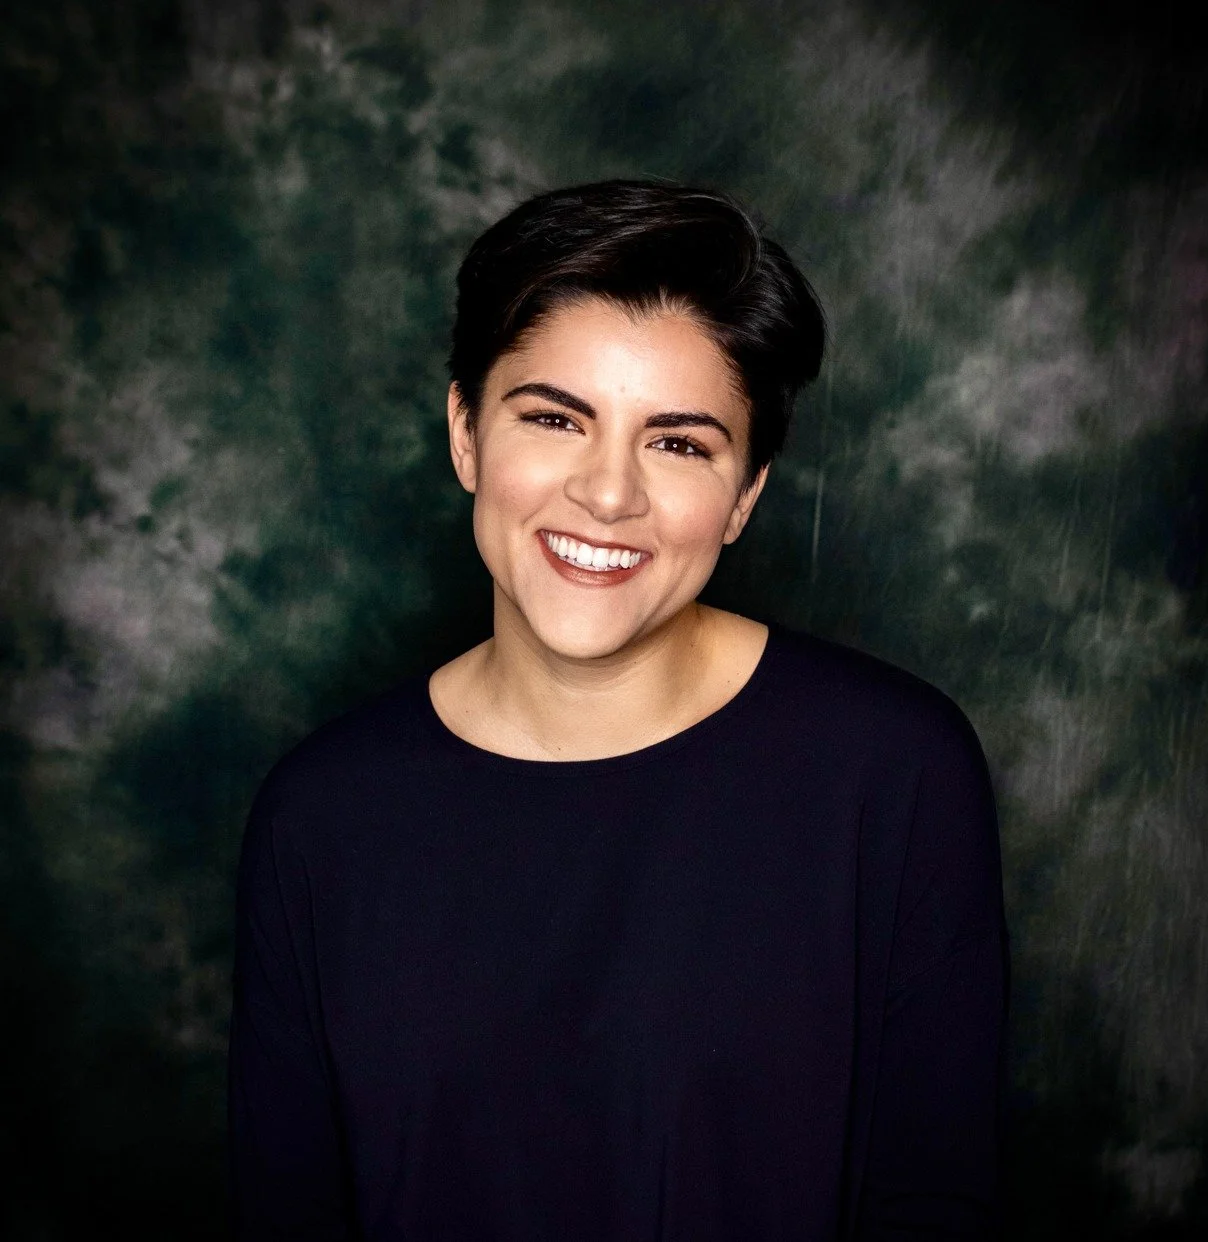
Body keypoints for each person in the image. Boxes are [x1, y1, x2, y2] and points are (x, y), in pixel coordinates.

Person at [228, 180, 1009, 1240]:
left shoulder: (893, 771)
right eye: (554, 419)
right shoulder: (319, 817)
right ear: (466, 433)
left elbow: (935, 1200)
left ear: (745, 495)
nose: (607, 494)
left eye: (679, 443)